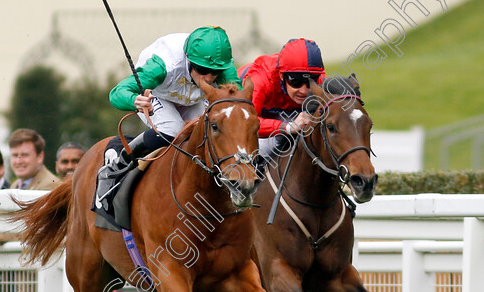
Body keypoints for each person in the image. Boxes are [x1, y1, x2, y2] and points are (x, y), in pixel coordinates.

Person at [96, 26, 240, 203]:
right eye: (202, 70)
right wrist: (134, 100)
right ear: (189, 60)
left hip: (192, 99)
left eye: (215, 73)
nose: (209, 79)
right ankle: (117, 166)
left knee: (208, 131)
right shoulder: (161, 66)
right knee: (173, 129)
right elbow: (117, 92)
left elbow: (240, 103)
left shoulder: (223, 66)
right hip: (158, 93)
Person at [238, 38, 326, 157]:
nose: (304, 91)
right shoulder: (260, 80)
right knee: (259, 149)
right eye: (296, 82)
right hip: (247, 115)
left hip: (288, 113)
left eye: (311, 82)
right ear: (281, 75)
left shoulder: (320, 80)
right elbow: (246, 124)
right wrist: (288, 127)